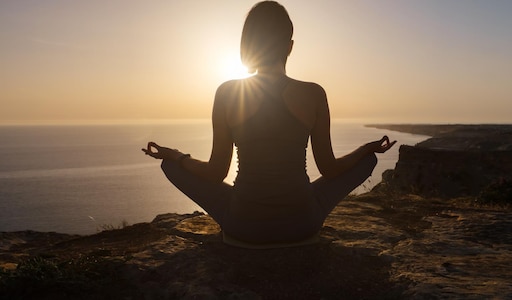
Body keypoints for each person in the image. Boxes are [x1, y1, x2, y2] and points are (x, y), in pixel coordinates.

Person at [142, 1, 395, 245]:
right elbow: (329, 169)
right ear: (289, 46)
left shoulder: (228, 93)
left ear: (249, 44)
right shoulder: (314, 94)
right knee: (368, 161)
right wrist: (365, 150)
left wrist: (176, 156)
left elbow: (216, 172)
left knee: (170, 166)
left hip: (243, 226)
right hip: (302, 223)